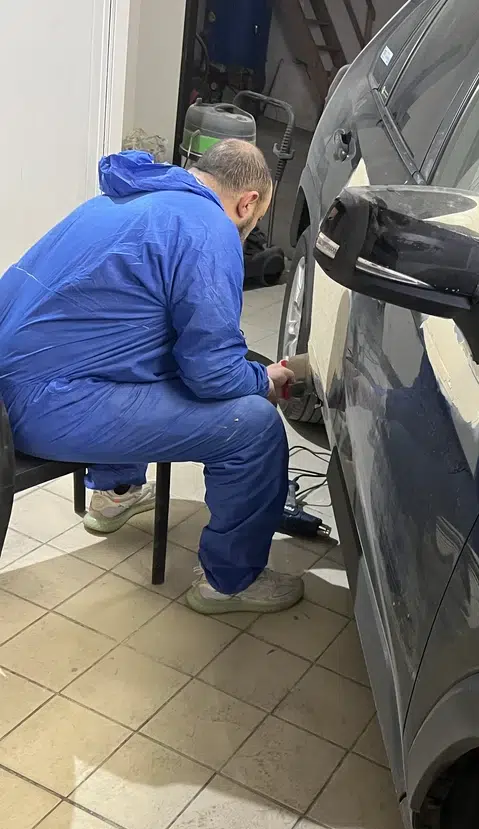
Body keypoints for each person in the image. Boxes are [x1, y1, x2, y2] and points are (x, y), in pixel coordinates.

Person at [0, 140, 302, 615]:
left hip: (17, 381)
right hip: (41, 406)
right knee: (255, 428)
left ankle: (117, 492)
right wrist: (263, 380)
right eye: (255, 220)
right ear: (248, 202)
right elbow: (213, 374)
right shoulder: (210, 229)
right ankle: (229, 583)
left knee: (143, 343)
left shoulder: (125, 198)